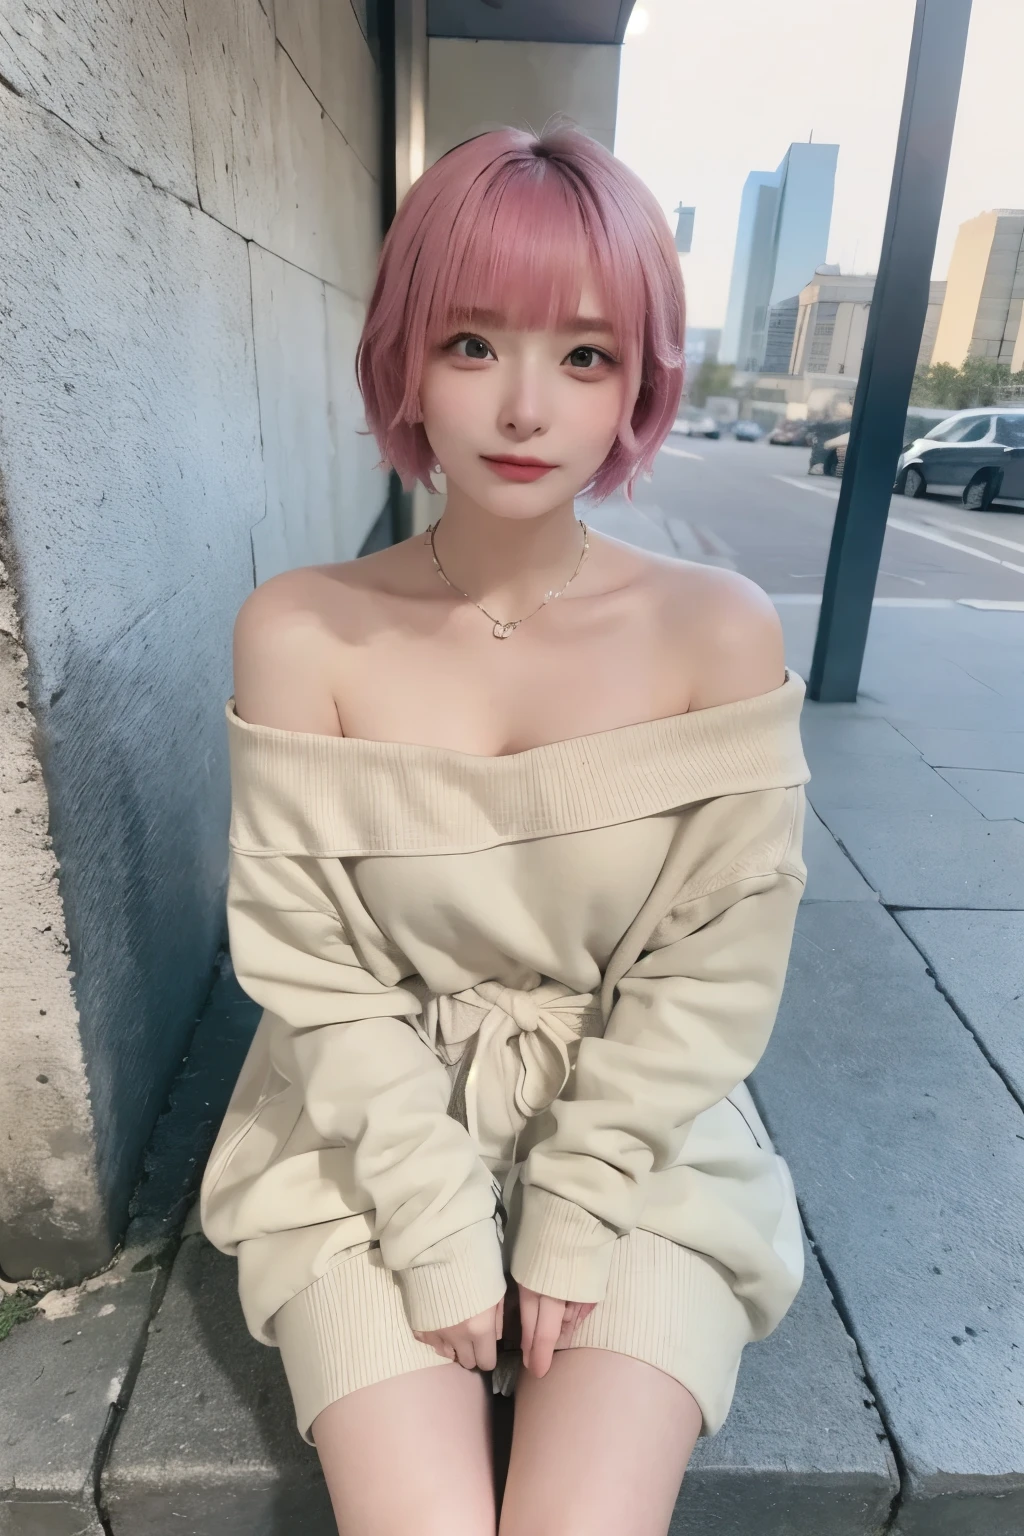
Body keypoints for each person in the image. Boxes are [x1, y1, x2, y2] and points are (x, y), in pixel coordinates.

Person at [200, 122, 810, 1536]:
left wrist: (577, 1206)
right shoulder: (302, 629)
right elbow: (313, 969)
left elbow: (713, 967)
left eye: (586, 355)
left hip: (639, 1123)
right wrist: (432, 1221)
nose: (526, 407)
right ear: (405, 357)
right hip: (358, 1132)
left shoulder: (714, 632)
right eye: (474, 343)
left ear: (639, 384)